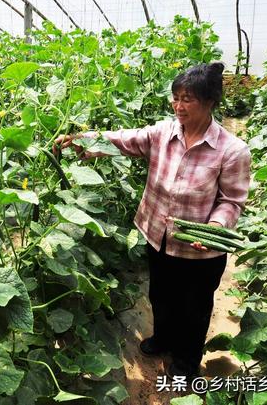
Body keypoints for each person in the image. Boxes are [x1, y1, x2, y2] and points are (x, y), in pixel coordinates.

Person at [53, 62, 251, 379]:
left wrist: (214, 229)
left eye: (187, 99)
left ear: (210, 101)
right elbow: (123, 139)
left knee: (194, 308)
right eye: (175, 97)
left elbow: (232, 200)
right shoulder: (163, 133)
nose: (178, 105)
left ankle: (186, 362)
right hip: (158, 234)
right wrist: (84, 140)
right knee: (160, 294)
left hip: (198, 249)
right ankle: (163, 339)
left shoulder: (232, 150)